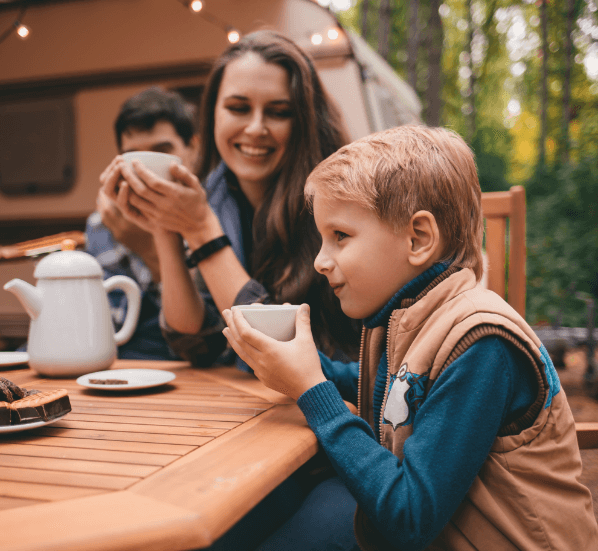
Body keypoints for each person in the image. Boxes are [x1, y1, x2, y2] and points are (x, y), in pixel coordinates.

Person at [222, 125, 598, 550]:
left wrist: (312, 390)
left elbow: (409, 516)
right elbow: (388, 388)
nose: (321, 261)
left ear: (418, 238)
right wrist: (291, 361)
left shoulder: (481, 345)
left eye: (340, 236)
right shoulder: (409, 317)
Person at [101, 30, 360, 368]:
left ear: (304, 122)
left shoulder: (333, 202)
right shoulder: (216, 193)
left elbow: (282, 352)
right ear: (212, 116)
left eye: (278, 112)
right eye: (238, 108)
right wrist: (163, 224)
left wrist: (201, 230)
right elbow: (195, 343)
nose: (255, 128)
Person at [88, 86, 200, 360]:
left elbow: (202, 336)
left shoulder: (211, 216)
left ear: (193, 149)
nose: (145, 171)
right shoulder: (103, 223)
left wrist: (149, 249)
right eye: (134, 156)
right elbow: (108, 321)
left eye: (162, 151)